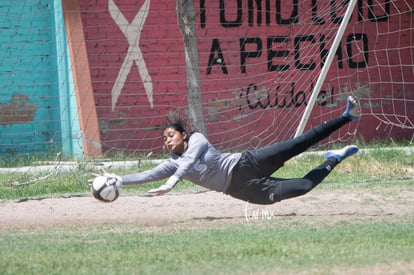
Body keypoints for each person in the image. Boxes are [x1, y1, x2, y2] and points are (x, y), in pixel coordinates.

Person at [103, 96, 360, 205]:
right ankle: (333, 159)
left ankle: (346, 116)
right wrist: (118, 180)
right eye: (164, 139)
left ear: (183, 134)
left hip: (249, 163)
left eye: (170, 136)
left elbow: (189, 161)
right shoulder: (173, 163)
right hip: (240, 190)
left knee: (298, 144)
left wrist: (171, 183)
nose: (167, 141)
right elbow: (148, 174)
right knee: (303, 187)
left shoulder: (197, 140)